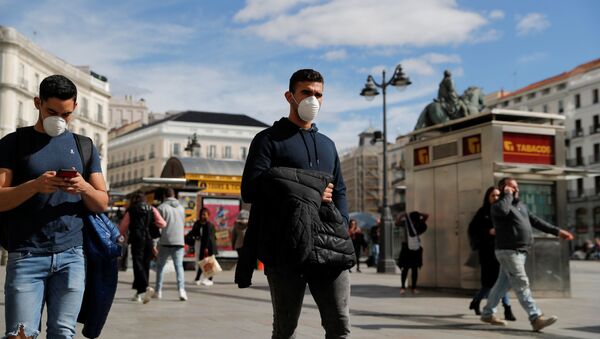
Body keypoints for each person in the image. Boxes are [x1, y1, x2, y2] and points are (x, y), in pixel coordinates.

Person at [236, 69, 352, 338]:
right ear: (290, 96)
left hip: (329, 245)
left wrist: (343, 225)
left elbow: (341, 190)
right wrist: (311, 189)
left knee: (340, 325)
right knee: (286, 329)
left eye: (318, 94)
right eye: (306, 93)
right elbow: (251, 189)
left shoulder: (327, 144)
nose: (313, 99)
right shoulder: (268, 140)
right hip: (284, 247)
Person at [0, 74, 109, 339]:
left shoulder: (83, 146)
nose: (59, 119)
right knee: (20, 335)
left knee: (63, 333)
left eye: (67, 114)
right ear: (38, 102)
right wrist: (35, 186)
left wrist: (83, 187)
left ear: (74, 109)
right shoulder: (13, 144)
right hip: (26, 254)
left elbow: (103, 202)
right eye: (52, 111)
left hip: (71, 255)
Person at [480, 177, 574, 332]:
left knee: (502, 284)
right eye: (511, 187)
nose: (516, 189)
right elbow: (503, 210)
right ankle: (535, 317)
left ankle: (488, 313)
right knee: (521, 283)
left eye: (516, 187)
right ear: (504, 189)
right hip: (508, 251)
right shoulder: (498, 206)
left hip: (519, 252)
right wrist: (507, 195)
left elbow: (537, 222)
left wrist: (557, 232)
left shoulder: (521, 206)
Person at [467, 186, 515, 321]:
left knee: (502, 280)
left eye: (498, 196)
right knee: (489, 283)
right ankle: (477, 301)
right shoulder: (482, 212)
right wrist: (488, 231)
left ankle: (507, 309)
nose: (495, 198)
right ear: (488, 197)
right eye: (493, 196)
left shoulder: (503, 211)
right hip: (487, 252)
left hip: (503, 250)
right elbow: (473, 229)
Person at [119, 192, 166, 303]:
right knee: (145, 265)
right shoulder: (151, 209)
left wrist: (121, 236)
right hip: (149, 240)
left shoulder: (131, 210)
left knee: (137, 264)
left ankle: (145, 287)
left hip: (136, 239)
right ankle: (140, 293)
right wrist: (152, 223)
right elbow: (163, 224)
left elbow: (122, 227)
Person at [153, 188, 187, 301]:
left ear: (164, 196)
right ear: (174, 195)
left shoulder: (161, 207)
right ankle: (182, 291)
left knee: (160, 267)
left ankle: (158, 291)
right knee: (179, 267)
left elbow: (158, 226)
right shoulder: (182, 208)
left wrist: (155, 243)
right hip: (179, 241)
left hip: (165, 241)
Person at [396, 211, 428, 295]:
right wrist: (419, 214)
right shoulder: (410, 223)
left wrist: (402, 215)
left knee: (409, 269)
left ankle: (405, 287)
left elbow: (397, 222)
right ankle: (410, 288)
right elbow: (426, 216)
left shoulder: (414, 223)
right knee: (410, 269)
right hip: (411, 248)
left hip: (410, 248)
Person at [190, 207, 218, 286]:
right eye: (202, 214)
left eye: (204, 214)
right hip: (200, 244)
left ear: (208, 215)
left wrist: (206, 248)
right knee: (201, 262)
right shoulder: (197, 223)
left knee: (208, 263)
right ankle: (198, 278)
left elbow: (210, 237)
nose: (203, 216)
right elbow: (193, 232)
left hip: (208, 246)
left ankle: (209, 279)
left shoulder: (209, 225)